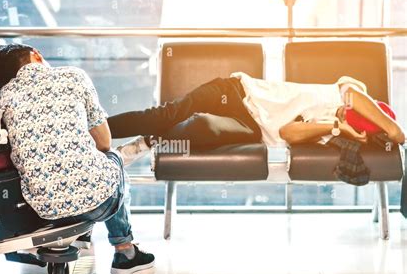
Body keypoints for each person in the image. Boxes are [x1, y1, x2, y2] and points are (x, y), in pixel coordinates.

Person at [0, 44, 154, 274]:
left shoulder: (3, 97)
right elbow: (104, 143)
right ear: (36, 55)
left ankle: (83, 235)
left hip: (42, 210)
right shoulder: (73, 76)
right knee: (113, 159)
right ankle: (125, 251)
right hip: (99, 203)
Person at [109, 74, 405, 165]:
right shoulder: (344, 92)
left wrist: (338, 126)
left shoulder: (330, 131)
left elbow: (287, 132)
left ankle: (148, 142)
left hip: (250, 128)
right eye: (349, 111)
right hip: (234, 92)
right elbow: (395, 132)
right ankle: (97, 128)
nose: (345, 112)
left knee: (203, 127)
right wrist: (386, 128)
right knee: (166, 115)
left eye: (349, 117)